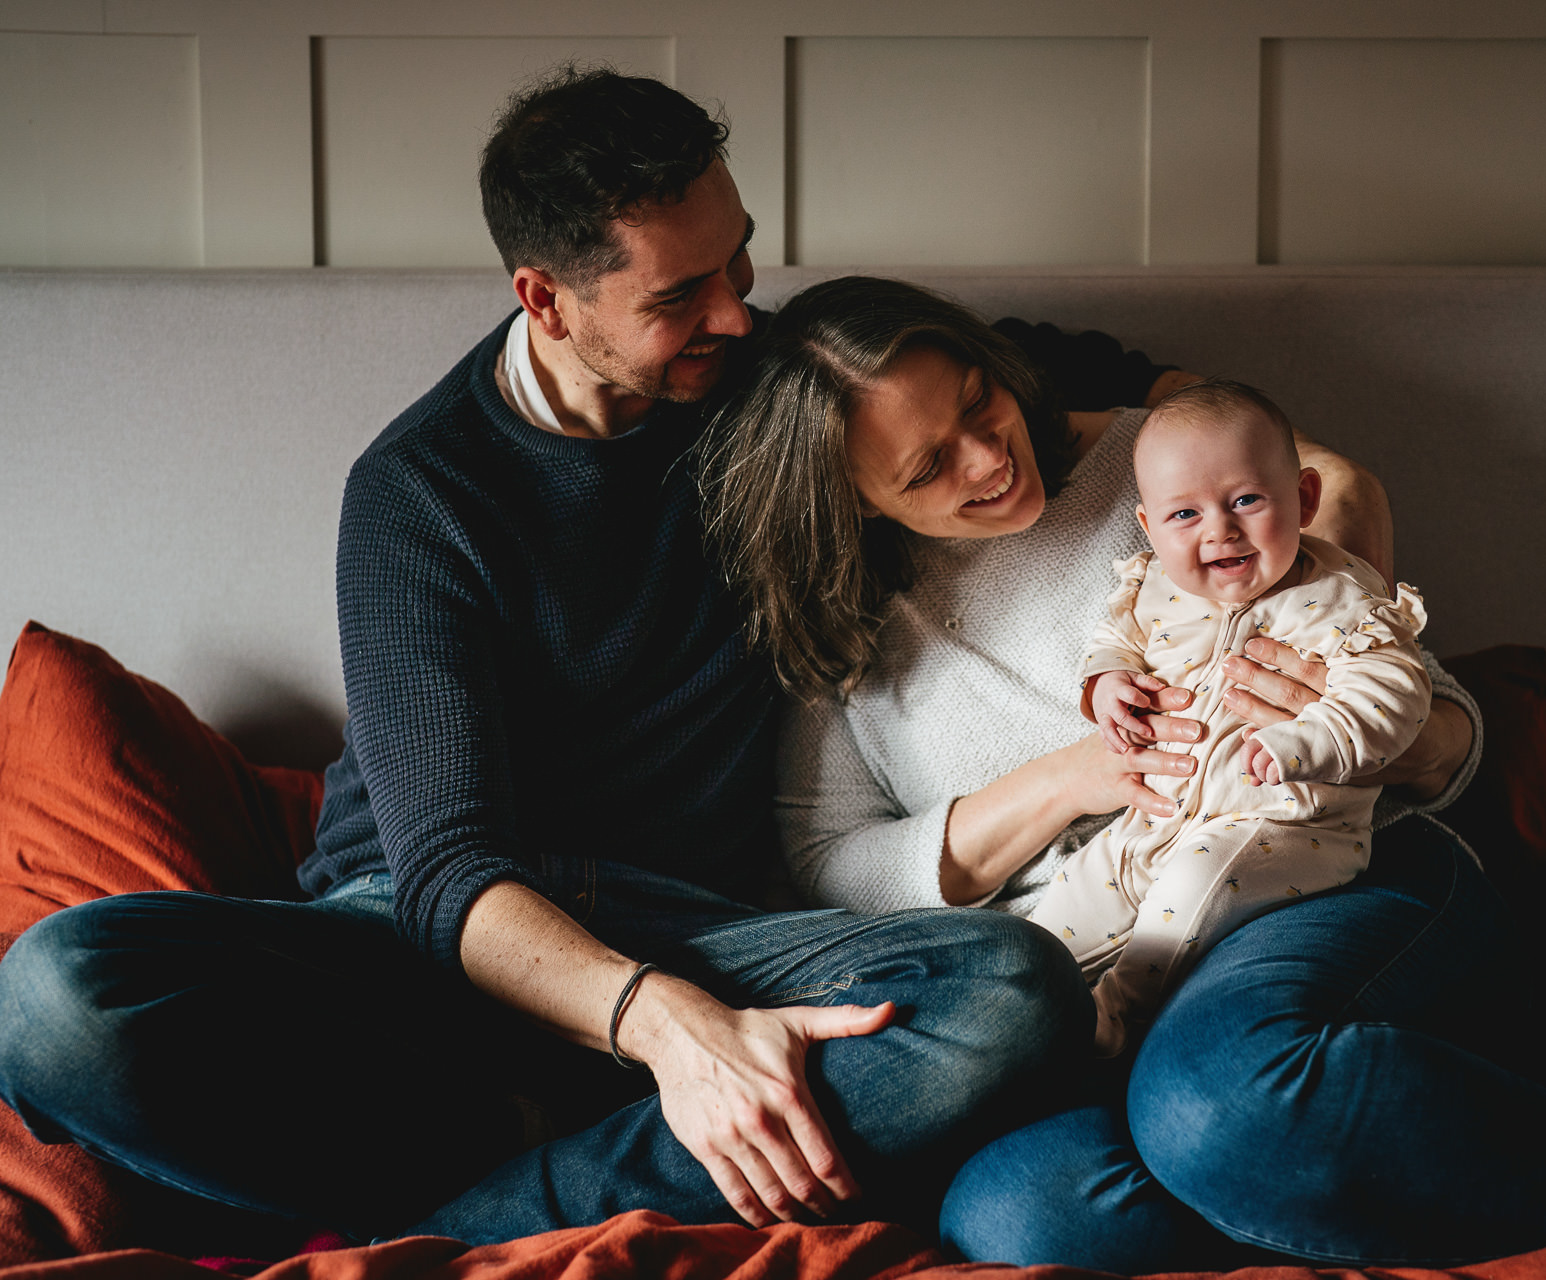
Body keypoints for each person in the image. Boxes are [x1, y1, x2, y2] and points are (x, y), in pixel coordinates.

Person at [0, 69, 1162, 1246]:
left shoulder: (761, 387)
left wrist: (1264, 443)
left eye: (739, 257)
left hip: (701, 926)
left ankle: (476, 1216)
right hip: (430, 948)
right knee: (56, 998)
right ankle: (584, 1141)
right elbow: (450, 871)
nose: (737, 314)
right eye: (679, 295)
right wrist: (667, 1029)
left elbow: (1022, 368)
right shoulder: (423, 494)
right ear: (545, 299)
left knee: (1013, 990)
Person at [708, 275, 1546, 1270]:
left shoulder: (1169, 470)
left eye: (980, 401)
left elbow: (1423, 708)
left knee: (1220, 1104)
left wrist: (1379, 734)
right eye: (927, 469)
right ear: (849, 504)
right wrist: (1073, 778)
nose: (988, 456)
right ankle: (1465, 1144)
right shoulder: (842, 633)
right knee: (1031, 1218)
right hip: (1091, 963)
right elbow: (827, 865)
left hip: (1322, 873)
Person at [1032, 378, 1432, 1055]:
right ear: (1149, 527)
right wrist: (1106, 685)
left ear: (1304, 499)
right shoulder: (1151, 589)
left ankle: (1116, 1022)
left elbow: (1397, 696)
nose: (1220, 529)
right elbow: (1115, 644)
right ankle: (1022, 1011)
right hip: (1151, 824)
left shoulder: (1340, 599)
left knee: (1192, 888)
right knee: (1062, 913)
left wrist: (1308, 741)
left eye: (1246, 500)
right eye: (1184, 515)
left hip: (1287, 826)